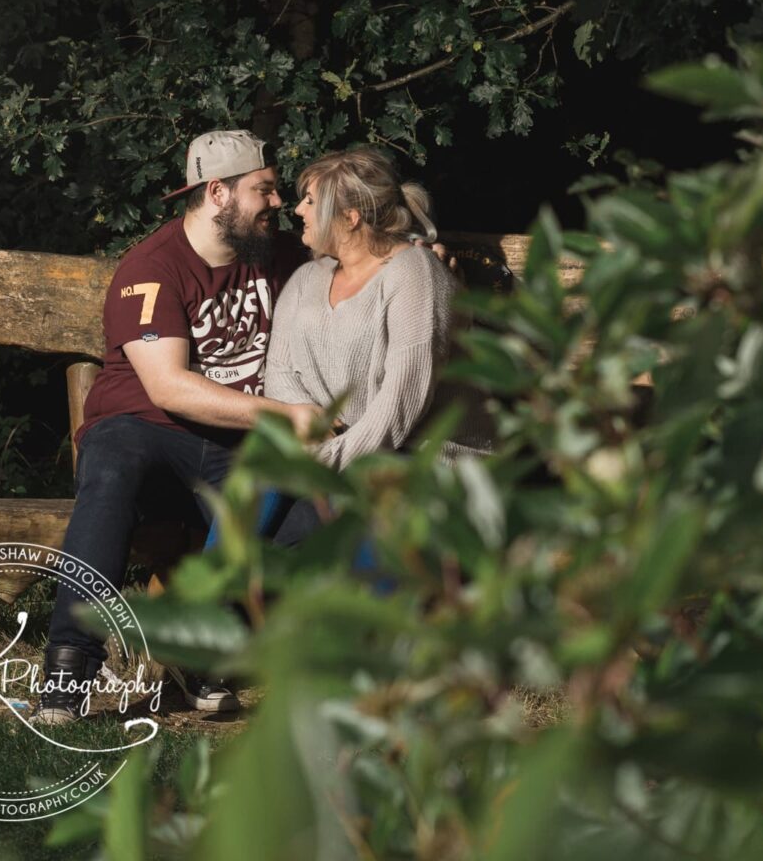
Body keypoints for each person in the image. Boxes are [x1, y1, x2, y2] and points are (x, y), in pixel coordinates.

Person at [36, 129, 323, 725]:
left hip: (234, 449)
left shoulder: (278, 256)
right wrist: (286, 415)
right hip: (146, 431)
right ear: (218, 193)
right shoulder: (153, 267)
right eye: (264, 191)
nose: (277, 203)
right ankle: (69, 669)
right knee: (111, 471)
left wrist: (425, 256)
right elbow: (168, 387)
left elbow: (363, 264)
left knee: (308, 523)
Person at [263, 148, 491, 544]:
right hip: (344, 455)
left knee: (306, 534)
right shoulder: (305, 279)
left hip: (423, 461)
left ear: (350, 218)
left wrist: (327, 459)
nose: (297, 209)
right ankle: (210, 598)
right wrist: (315, 435)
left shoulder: (415, 273)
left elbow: (402, 404)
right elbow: (279, 375)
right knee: (257, 490)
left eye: (311, 201)